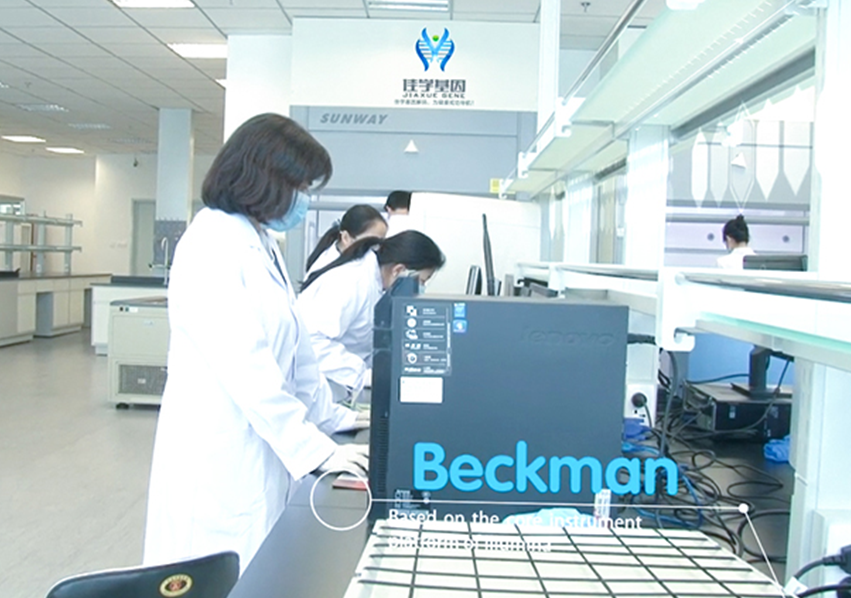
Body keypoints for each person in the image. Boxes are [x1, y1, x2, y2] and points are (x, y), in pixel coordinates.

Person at [143, 113, 368, 575]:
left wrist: (335, 420)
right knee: (221, 576)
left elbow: (299, 354)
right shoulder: (210, 245)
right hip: (218, 462)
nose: (304, 199)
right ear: (264, 178)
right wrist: (319, 452)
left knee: (260, 568)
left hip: (260, 449)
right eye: (299, 186)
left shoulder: (260, 242)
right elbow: (250, 371)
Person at [297, 231, 445, 403]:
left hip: (334, 392)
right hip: (313, 392)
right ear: (399, 270)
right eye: (421, 282)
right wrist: (363, 375)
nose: (420, 290)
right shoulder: (352, 282)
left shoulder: (375, 282)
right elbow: (312, 342)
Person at [305, 204, 387, 276]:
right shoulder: (334, 273)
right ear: (345, 238)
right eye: (370, 244)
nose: (375, 251)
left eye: (379, 244)